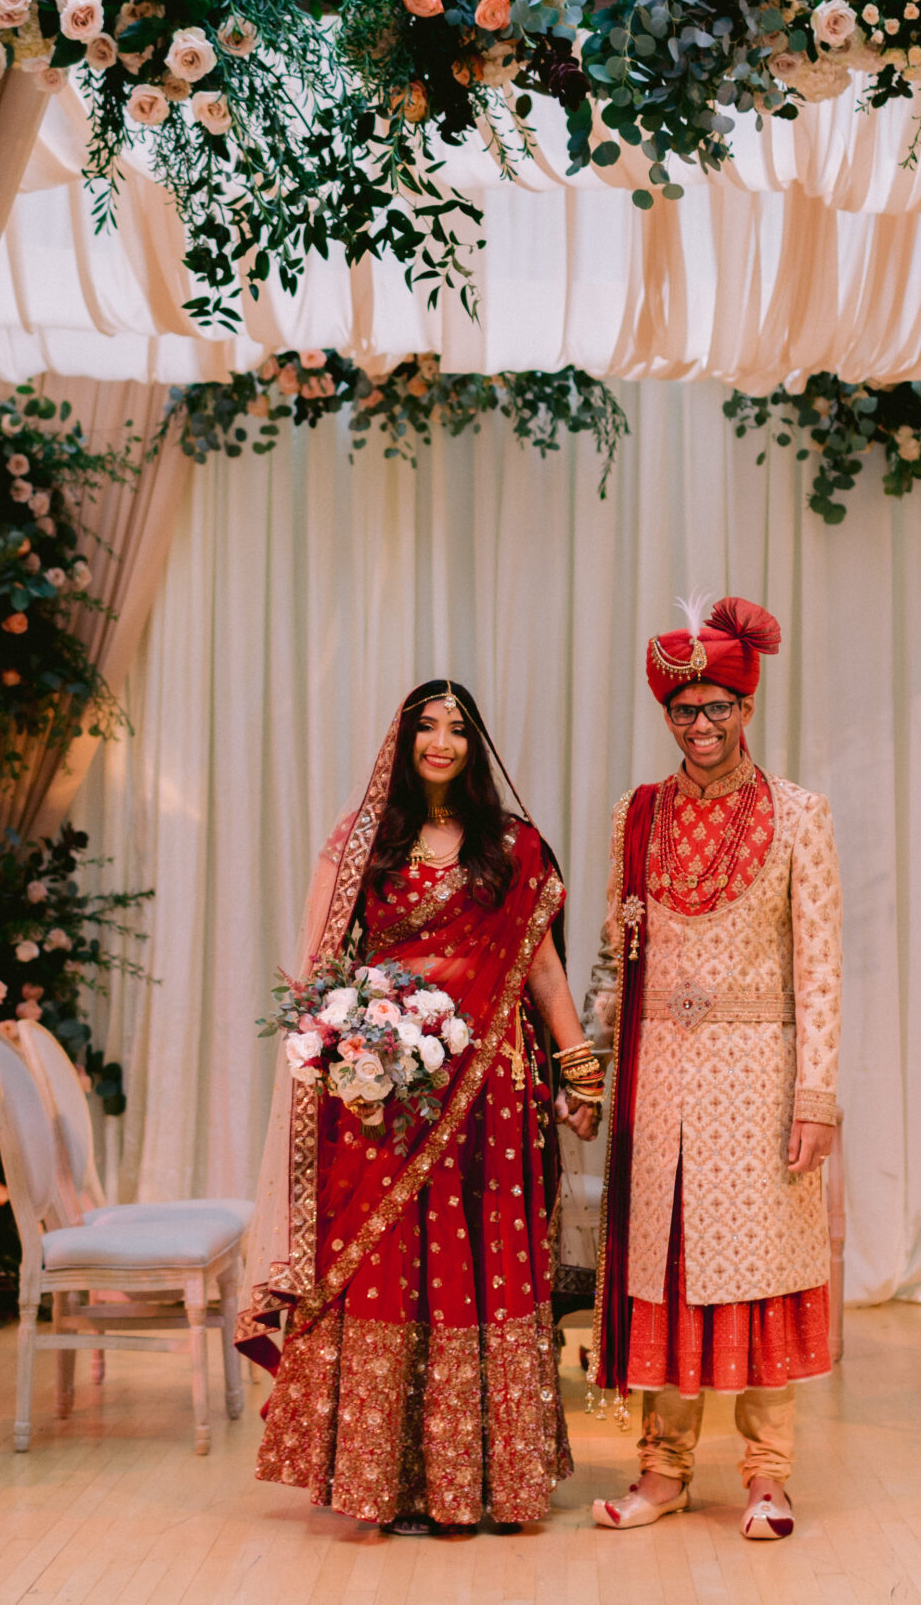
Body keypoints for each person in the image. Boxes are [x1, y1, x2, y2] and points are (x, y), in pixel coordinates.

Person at [242, 680, 604, 1535]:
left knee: (485, 1272)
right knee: (390, 1272)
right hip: (389, 1098)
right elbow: (324, 968)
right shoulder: (363, 844)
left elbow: (542, 967)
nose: (441, 741)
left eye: (458, 728)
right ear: (401, 743)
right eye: (425, 727)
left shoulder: (513, 845)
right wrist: (344, 1045)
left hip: (493, 1097)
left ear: (477, 746)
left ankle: (487, 1478)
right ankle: (390, 1481)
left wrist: (578, 1066)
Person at [585, 596, 842, 1541]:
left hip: (760, 1074)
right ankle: (663, 1474)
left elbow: (819, 966)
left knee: (757, 1275)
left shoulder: (800, 815)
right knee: (663, 1272)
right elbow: (622, 957)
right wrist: (597, 1072)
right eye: (684, 710)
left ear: (747, 705)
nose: (702, 725)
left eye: (718, 706)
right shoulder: (637, 814)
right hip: (657, 1079)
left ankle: (768, 1479)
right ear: (666, 716)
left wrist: (817, 1096)